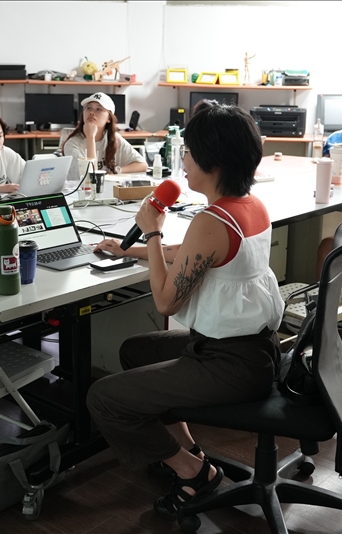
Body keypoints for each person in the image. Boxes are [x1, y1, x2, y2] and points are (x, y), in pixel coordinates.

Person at [86, 104, 284, 520]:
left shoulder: (213, 219)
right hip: (257, 350)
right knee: (136, 351)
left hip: (229, 363)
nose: (185, 161)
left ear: (213, 162)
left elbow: (165, 301)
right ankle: (189, 449)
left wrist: (153, 231)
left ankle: (194, 472)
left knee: (103, 398)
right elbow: (194, 252)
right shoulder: (250, 205)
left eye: (189, 152)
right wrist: (129, 250)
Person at [61, 92, 147, 181]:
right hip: (82, 189)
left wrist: (117, 170)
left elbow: (142, 165)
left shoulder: (115, 139)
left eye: (98, 109)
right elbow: (91, 179)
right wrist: (90, 137)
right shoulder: (72, 144)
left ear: (109, 118)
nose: (91, 112)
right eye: (88, 108)